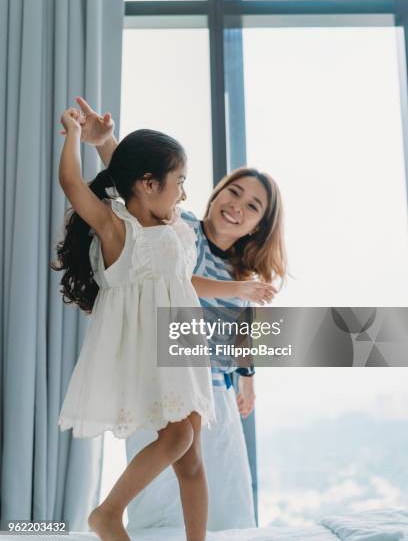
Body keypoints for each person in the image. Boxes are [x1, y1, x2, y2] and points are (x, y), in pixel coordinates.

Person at [53, 106, 275, 541]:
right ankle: (107, 513)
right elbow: (74, 184)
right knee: (176, 441)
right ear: (151, 185)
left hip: (183, 352)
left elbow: (137, 176)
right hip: (146, 352)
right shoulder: (118, 230)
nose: (185, 196)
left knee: (192, 459)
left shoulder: (174, 226)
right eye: (180, 184)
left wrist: (107, 144)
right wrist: (74, 136)